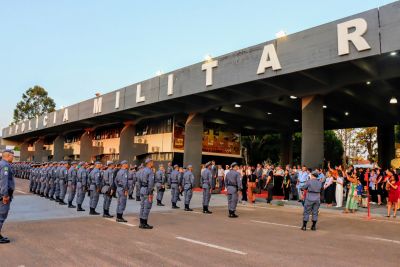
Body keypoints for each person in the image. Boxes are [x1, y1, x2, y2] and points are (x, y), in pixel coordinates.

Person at [0, 149, 15, 244]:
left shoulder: (2, 163)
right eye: (12, 156)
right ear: (8, 156)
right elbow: (3, 181)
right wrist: (5, 195)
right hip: (3, 195)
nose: (13, 157)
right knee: (1, 215)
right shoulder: (5, 165)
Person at [138, 158, 155, 229]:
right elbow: (150, 184)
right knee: (147, 207)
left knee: (142, 206)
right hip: (147, 190)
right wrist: (150, 192)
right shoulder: (150, 171)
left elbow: (138, 181)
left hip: (142, 189)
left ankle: (141, 222)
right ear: (149, 163)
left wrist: (141, 189)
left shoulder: (142, 170)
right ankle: (144, 223)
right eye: (152, 162)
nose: (153, 163)